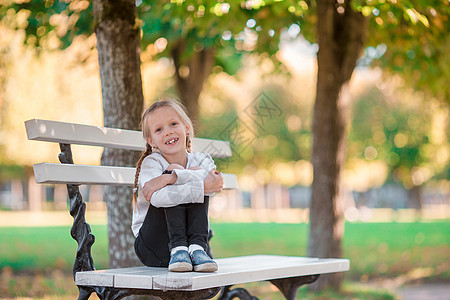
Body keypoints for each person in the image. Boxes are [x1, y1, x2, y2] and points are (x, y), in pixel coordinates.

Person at [132, 97, 224, 273]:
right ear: (150, 140)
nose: (168, 132)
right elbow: (158, 199)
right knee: (186, 182)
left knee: (189, 181)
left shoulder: (201, 159)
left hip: (192, 247)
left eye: (173, 124)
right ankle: (179, 248)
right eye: (159, 129)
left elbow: (214, 184)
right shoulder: (151, 163)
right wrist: (179, 174)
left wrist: (172, 177)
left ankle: (197, 248)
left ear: (187, 128)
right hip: (154, 246)